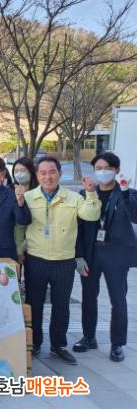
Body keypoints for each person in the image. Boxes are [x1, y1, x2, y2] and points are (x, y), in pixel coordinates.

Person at [23, 156, 100, 365]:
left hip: (64, 261)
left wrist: (90, 192)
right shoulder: (28, 197)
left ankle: (58, 346)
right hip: (35, 260)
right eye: (43, 172)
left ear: (60, 174)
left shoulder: (73, 197)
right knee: (34, 304)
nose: (47, 177)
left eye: (52, 172)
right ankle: (35, 343)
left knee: (61, 306)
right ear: (37, 175)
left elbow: (91, 215)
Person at [73, 152, 137, 362]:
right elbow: (79, 228)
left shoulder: (128, 193)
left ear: (116, 170)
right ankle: (89, 337)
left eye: (107, 168)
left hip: (116, 254)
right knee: (88, 297)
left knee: (118, 300)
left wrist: (125, 192)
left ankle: (117, 344)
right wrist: (79, 255)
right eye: (98, 168)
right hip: (92, 252)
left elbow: (134, 216)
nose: (102, 172)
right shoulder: (86, 193)